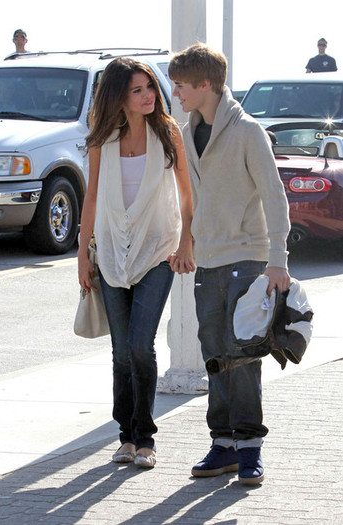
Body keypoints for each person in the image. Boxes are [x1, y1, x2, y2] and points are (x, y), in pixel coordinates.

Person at [169, 43, 291, 485]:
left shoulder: (247, 131)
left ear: (204, 84)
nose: (175, 91)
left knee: (242, 355)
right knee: (214, 354)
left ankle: (250, 448)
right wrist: (187, 243)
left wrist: (277, 259)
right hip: (209, 260)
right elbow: (191, 199)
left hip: (248, 257)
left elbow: (275, 196)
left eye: (181, 84)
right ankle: (222, 444)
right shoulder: (186, 132)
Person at [78, 57, 195, 469]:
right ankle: (125, 437)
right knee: (121, 352)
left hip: (157, 251)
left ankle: (145, 438)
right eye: (137, 90)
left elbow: (186, 192)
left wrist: (186, 242)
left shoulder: (168, 134)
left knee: (139, 347)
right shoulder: (102, 139)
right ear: (119, 97)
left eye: (150, 87)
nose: (149, 96)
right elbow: (91, 196)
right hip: (111, 253)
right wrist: (82, 252)